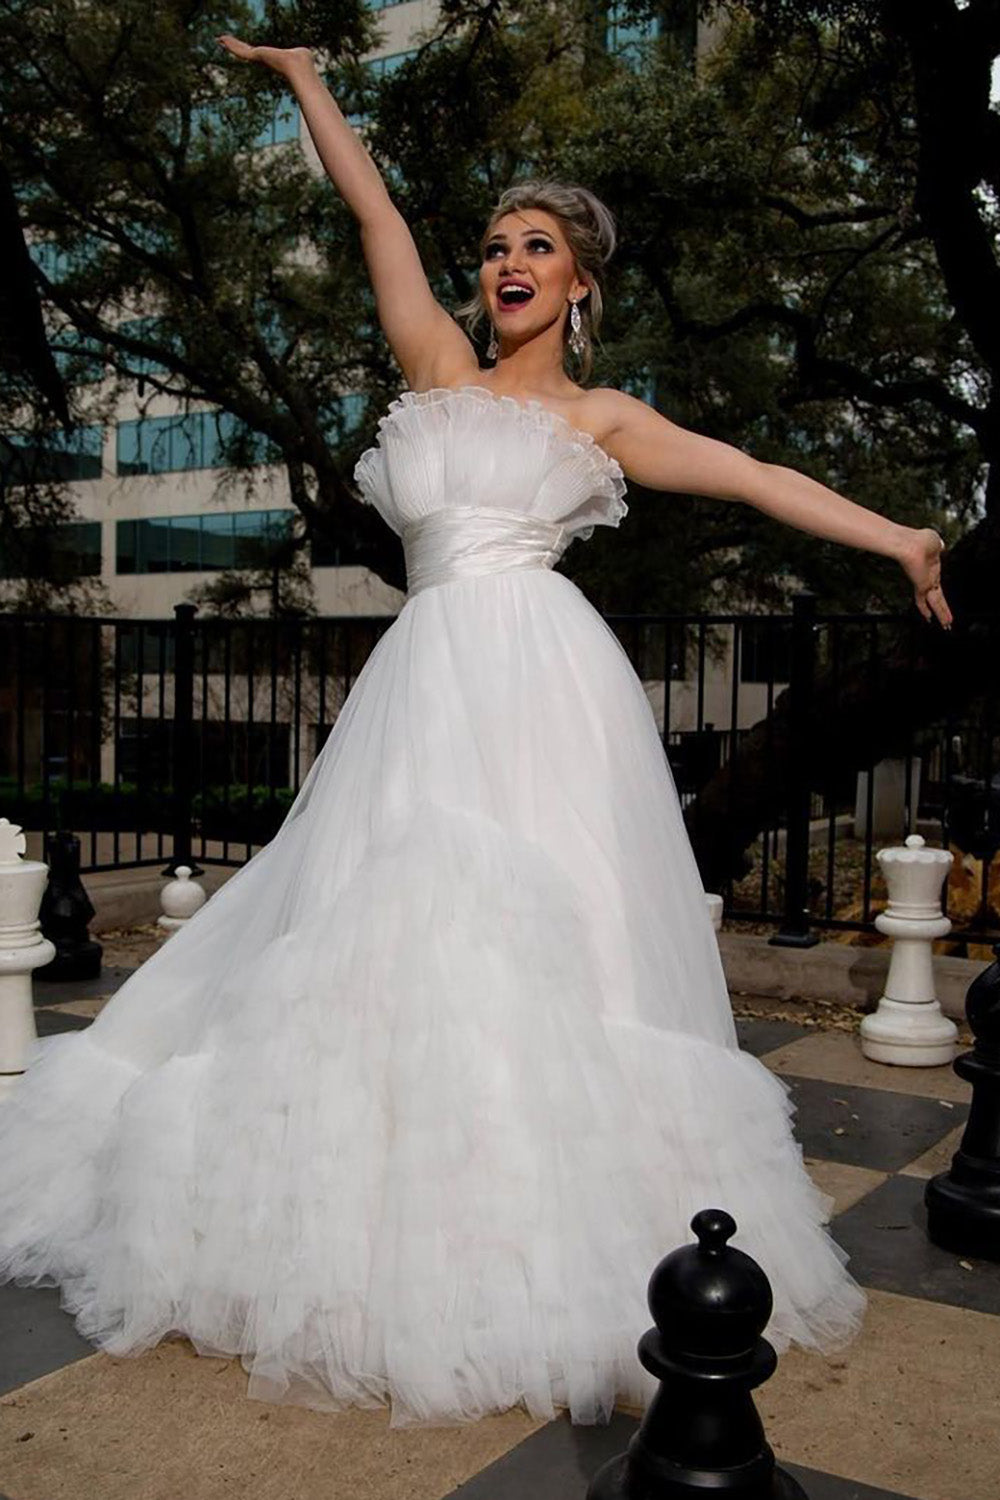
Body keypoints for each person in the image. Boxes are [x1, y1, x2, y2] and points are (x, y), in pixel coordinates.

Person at [0, 38, 951, 1432]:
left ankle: (551, 1228)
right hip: (425, 681)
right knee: (388, 930)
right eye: (499, 242)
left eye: (539, 247)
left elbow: (752, 477)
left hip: (547, 689)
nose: (509, 260)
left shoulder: (604, 416)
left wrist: (905, 535)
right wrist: (308, 83)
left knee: (560, 946)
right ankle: (369, 1216)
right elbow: (372, 214)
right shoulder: (437, 362)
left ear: (582, 285)